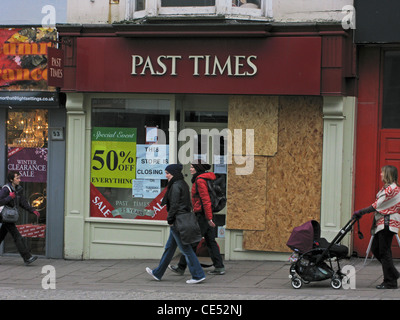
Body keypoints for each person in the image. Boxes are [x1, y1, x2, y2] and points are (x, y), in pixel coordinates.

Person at [146, 164, 206, 284]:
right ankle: (158, 273)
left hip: (177, 222)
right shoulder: (182, 183)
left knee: (186, 249)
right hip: (180, 220)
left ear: (174, 173)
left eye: (168, 173)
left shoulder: (175, 185)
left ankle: (198, 275)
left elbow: (174, 205)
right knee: (169, 248)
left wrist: (170, 219)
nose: (166, 175)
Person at [169, 161, 225, 275]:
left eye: (192, 167)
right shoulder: (206, 178)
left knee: (192, 241)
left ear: (197, 168)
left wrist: (209, 218)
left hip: (202, 215)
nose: (190, 169)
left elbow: (206, 200)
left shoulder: (200, 180)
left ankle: (181, 267)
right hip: (205, 214)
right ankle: (219, 266)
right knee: (210, 241)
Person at [353, 165, 400, 289]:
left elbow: (376, 205)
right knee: (377, 249)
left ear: (388, 174)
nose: (380, 175)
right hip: (383, 223)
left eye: (382, 173)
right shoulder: (388, 188)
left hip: (387, 223)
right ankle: (393, 274)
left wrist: (360, 212)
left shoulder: (392, 189)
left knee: (384, 252)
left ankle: (390, 281)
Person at [0, 171, 40, 265]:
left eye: (19, 177)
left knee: (1, 236)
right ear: (11, 179)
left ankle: (27, 257)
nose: (19, 180)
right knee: (17, 236)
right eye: (17, 178)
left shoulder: (17, 189)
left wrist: (32, 210)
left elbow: (23, 202)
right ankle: (27, 257)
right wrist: (9, 198)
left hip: (8, 217)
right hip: (5, 216)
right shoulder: (6, 189)